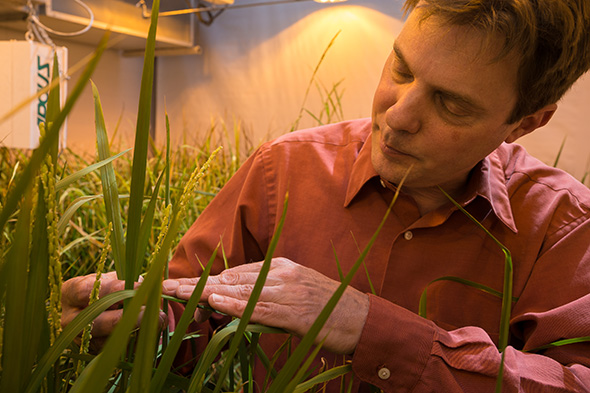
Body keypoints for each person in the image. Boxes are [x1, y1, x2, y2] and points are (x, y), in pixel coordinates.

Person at [62, 0, 590, 391]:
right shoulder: (283, 169)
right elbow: (193, 322)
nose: (397, 116)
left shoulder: (562, 225)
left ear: (525, 122)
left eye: (451, 104)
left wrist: (368, 326)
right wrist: (138, 325)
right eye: (401, 69)